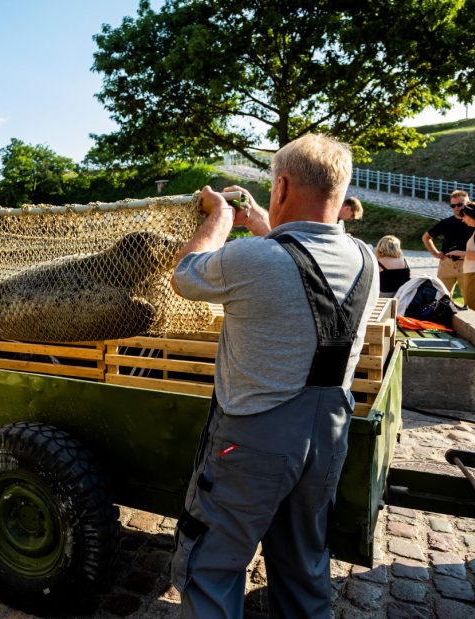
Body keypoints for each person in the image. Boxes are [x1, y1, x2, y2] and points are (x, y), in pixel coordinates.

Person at [170, 134, 379, 619]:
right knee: (304, 563)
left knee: (213, 565)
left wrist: (222, 217)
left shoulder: (252, 260)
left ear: (280, 185)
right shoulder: (366, 259)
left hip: (252, 440)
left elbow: (185, 274)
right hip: (327, 436)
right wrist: (263, 222)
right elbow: (301, 255)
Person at [422, 190, 473, 296]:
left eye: (460, 204)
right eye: (453, 206)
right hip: (447, 264)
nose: (456, 208)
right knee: (441, 298)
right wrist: (436, 253)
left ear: (468, 203)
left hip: (468, 263)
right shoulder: (445, 223)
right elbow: (426, 237)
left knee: (471, 300)